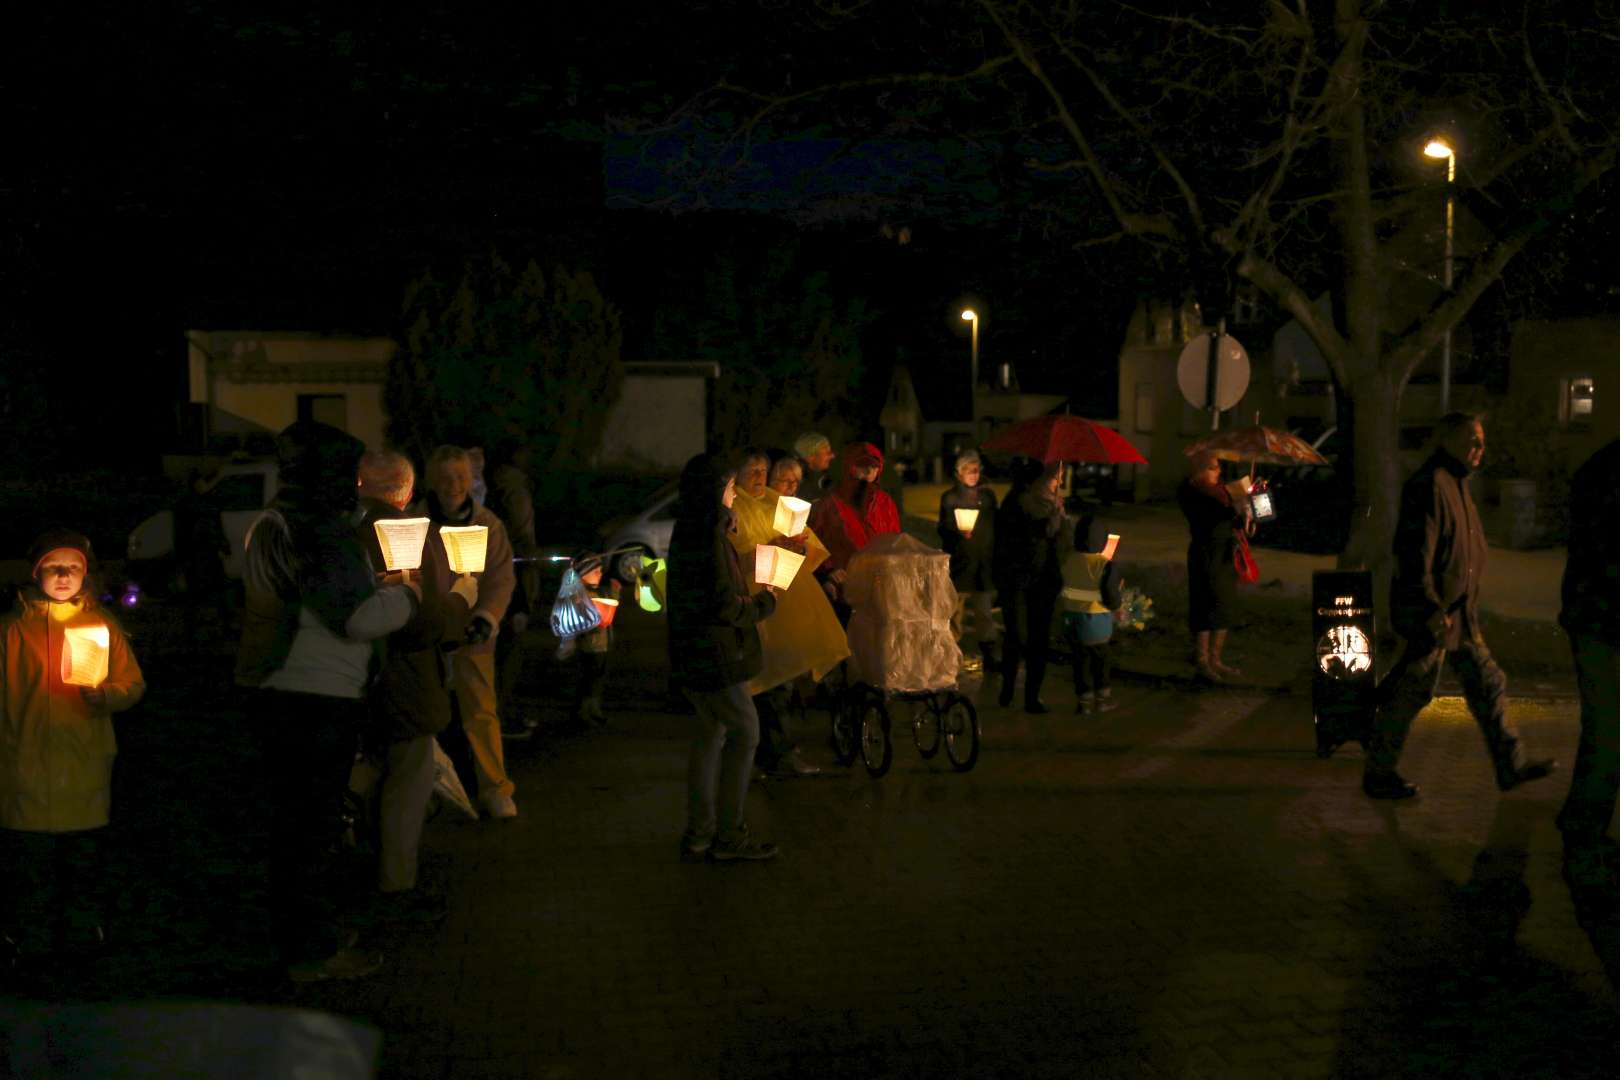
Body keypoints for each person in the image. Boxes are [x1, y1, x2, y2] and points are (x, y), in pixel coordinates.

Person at [236, 420, 419, 982]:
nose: (358, 486)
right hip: (321, 697)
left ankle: (291, 937)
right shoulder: (320, 529)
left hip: (272, 689)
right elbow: (356, 617)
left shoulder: (271, 522)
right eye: (351, 474)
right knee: (311, 831)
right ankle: (311, 952)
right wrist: (406, 595)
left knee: (288, 828)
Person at [1362, 412, 1557, 800]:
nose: (1479, 450)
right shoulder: (1431, 484)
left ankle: (1510, 765)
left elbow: (1463, 551)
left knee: (1487, 684)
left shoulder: (1457, 483)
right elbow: (1417, 555)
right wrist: (1433, 610)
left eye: (1481, 441)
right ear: (1447, 440)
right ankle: (1379, 771)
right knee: (1413, 691)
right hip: (1436, 616)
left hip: (1458, 615)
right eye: (1472, 441)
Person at [1, 529, 146, 965]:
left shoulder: (101, 626)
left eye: (74, 567)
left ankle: (80, 936)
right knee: (30, 864)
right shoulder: (10, 632)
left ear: (87, 574)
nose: (63, 575)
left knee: (80, 860)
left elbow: (132, 682)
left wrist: (110, 697)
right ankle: (28, 938)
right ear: (35, 571)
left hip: (82, 766)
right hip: (22, 765)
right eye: (53, 566)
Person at [355, 452, 476, 924]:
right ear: (405, 492)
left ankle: (375, 866)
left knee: (381, 777)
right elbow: (416, 617)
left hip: (363, 678)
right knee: (407, 781)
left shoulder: (348, 536)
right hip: (402, 679)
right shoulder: (402, 534)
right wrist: (461, 600)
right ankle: (395, 882)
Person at [669, 453, 780, 862]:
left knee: (709, 734)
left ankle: (700, 831)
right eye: (731, 487)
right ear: (717, 491)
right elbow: (721, 604)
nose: (735, 494)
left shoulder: (695, 528)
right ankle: (730, 834)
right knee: (745, 732)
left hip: (695, 651)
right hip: (717, 653)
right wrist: (762, 605)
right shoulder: (706, 536)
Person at [731, 448, 849, 778]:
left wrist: (799, 546)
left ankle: (773, 751)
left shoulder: (776, 503)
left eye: (761, 470)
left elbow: (807, 549)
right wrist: (772, 550)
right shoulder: (733, 507)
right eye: (751, 470)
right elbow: (736, 559)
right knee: (768, 680)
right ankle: (770, 754)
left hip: (787, 600)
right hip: (756, 605)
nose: (757, 476)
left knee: (783, 679)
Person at [420, 446, 519, 820]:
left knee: (480, 710)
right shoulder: (415, 524)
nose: (454, 486)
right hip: (426, 634)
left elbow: (500, 577)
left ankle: (494, 787)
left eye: (460, 477)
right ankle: (428, 788)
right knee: (423, 713)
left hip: (471, 635)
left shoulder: (488, 525)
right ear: (431, 481)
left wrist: (487, 617)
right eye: (446, 478)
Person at [1557, 437, 1620, 904]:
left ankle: (1583, 824)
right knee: (1606, 733)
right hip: (1604, 621)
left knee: (1605, 731)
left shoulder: (1600, 465)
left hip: (1596, 618)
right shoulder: (1608, 471)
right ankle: (1584, 839)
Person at [992, 459, 1067, 713]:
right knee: (1016, 635)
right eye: (1052, 477)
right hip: (1017, 579)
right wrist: (1048, 525)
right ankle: (1008, 687)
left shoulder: (1052, 505)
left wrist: (1059, 522)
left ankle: (1032, 696)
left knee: (1038, 639)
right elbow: (1010, 541)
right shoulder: (1016, 503)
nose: (1056, 481)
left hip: (1043, 580)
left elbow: (1060, 545)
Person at [807, 442, 902, 621]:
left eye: (873, 467)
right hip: (844, 587)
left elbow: (894, 540)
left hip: (879, 586)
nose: (868, 472)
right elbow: (814, 541)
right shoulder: (830, 503)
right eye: (862, 466)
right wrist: (828, 571)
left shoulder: (885, 502)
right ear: (850, 467)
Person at [484, 442, 541, 737]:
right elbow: (520, 542)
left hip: (507, 576)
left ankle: (500, 712)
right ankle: (500, 716)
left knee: (503, 652)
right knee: (508, 651)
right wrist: (522, 598)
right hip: (513, 579)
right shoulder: (513, 489)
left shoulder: (499, 486)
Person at [1177, 451, 1247, 683]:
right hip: (1206, 555)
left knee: (1224, 604)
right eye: (1212, 467)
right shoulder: (1193, 491)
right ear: (1199, 469)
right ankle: (1202, 661)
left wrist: (1248, 513)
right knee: (1204, 604)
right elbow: (1211, 517)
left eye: (1218, 467)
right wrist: (1237, 505)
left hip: (1225, 554)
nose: (1218, 471)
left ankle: (1216, 658)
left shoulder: (1222, 492)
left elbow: (1234, 521)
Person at [937, 449, 999, 672]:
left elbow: (996, 526)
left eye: (976, 469)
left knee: (984, 613)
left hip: (981, 565)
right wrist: (957, 532)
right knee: (954, 613)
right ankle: (949, 657)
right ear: (958, 473)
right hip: (959, 564)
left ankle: (990, 656)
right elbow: (942, 528)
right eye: (969, 470)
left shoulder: (987, 498)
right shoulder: (950, 498)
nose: (974, 474)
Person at [1061, 515, 1123, 714]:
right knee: (1101, 661)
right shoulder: (1105, 565)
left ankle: (1083, 701)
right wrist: (1119, 605)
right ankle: (1102, 699)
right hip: (1096, 623)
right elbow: (1111, 596)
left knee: (1080, 662)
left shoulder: (1069, 559)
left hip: (1071, 620)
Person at [568, 553, 620, 729]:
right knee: (588, 680)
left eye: (600, 571)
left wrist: (615, 592)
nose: (600, 574)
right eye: (595, 571)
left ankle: (594, 710)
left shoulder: (597, 592)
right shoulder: (578, 596)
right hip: (589, 647)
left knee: (598, 679)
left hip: (603, 645)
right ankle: (583, 712)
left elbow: (609, 609)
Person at [794, 432, 837, 498]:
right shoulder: (795, 484)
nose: (832, 456)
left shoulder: (821, 480)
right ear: (810, 457)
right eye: (827, 452)